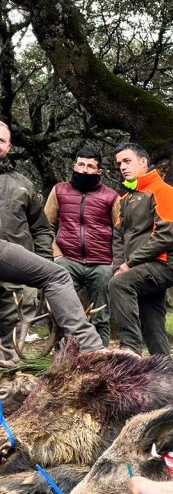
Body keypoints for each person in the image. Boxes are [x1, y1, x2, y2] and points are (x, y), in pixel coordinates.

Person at [0, 122, 103, 352]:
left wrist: (43, 261)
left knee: (12, 331)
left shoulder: (23, 185)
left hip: (16, 267)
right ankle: (93, 352)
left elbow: (41, 228)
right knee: (57, 276)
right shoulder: (59, 191)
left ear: (9, 145)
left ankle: (9, 365)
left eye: (1, 140)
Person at [107, 143, 173, 356]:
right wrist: (117, 266)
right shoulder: (125, 199)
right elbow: (118, 238)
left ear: (143, 162)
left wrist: (129, 264)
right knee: (152, 321)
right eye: (119, 163)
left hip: (165, 264)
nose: (122, 167)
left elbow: (167, 235)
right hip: (140, 268)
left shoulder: (164, 192)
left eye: (127, 161)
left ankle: (130, 350)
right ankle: (166, 370)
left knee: (120, 284)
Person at [44, 148, 119, 346]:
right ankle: (60, 357)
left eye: (90, 166)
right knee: (59, 311)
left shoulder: (111, 197)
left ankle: (101, 358)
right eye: (81, 164)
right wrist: (56, 255)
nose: (84, 170)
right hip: (67, 260)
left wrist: (113, 262)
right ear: (75, 165)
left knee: (101, 315)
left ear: (99, 171)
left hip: (101, 264)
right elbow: (46, 226)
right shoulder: (59, 190)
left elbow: (120, 232)